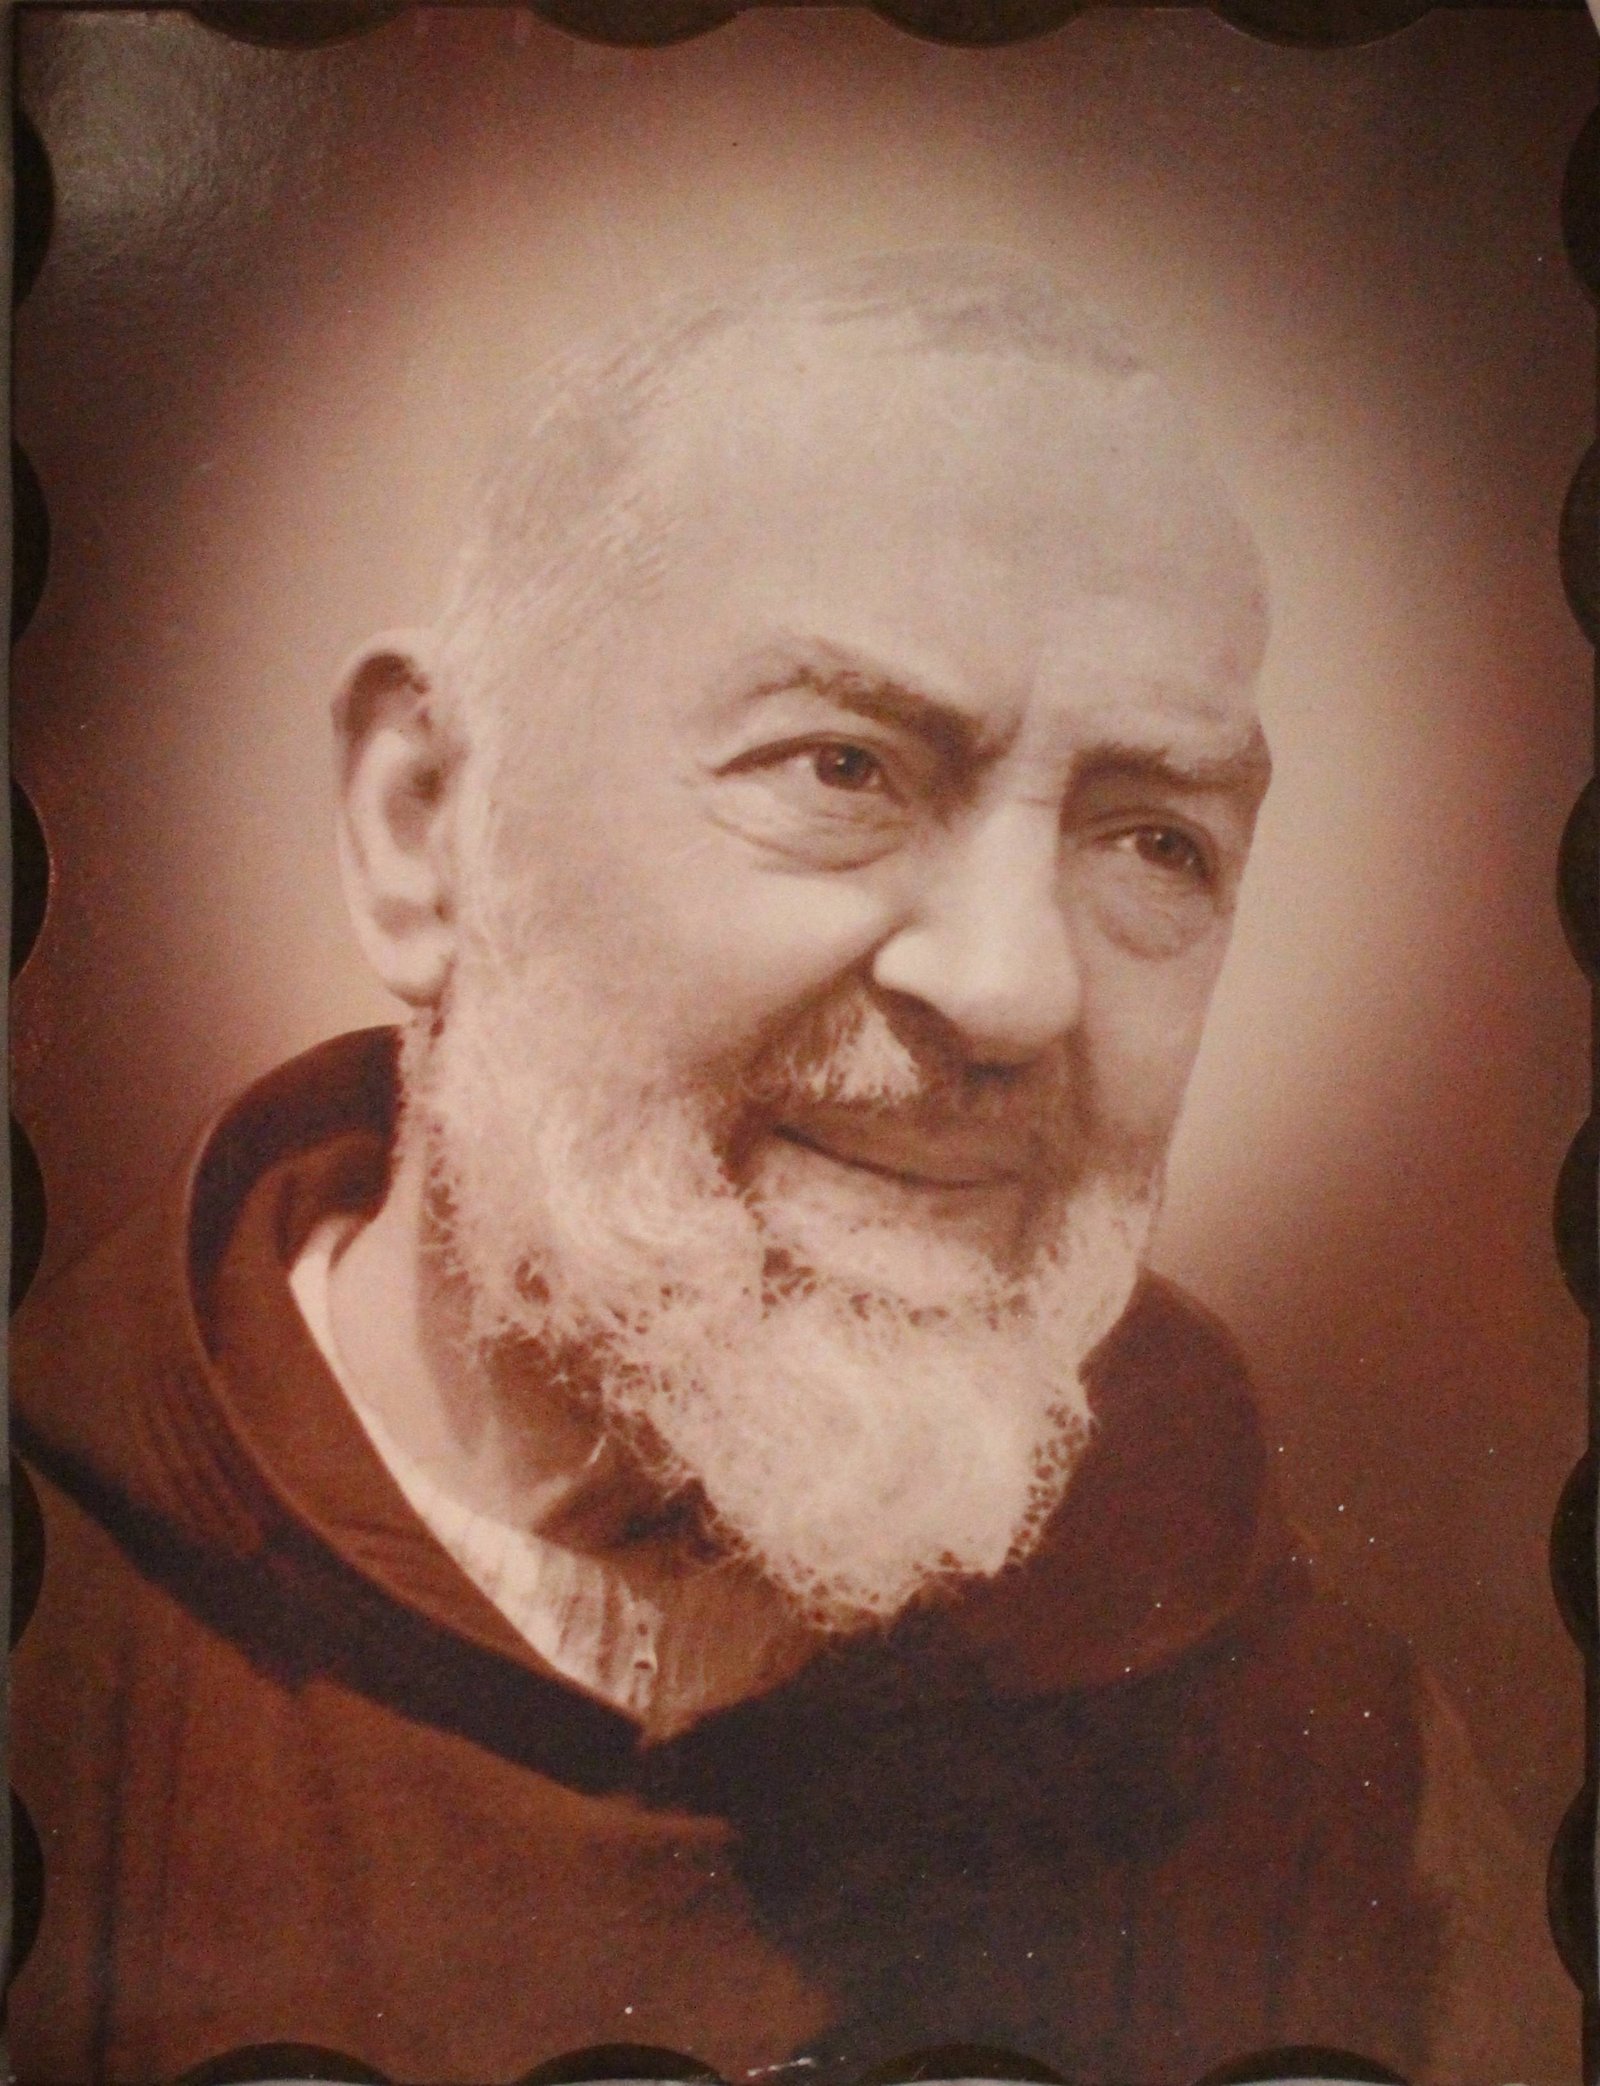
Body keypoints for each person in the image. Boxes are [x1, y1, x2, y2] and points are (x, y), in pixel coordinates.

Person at [9, 251, 1571, 2086]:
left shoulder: (1325, 1771)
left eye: (1154, 838)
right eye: (843, 766)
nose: (1014, 985)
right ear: (425, 822)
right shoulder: (52, 1636)